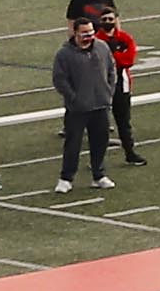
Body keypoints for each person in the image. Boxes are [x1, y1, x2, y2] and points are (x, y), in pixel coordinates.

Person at [52, 17, 120, 196]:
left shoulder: (102, 47)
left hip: (101, 105)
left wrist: (108, 91)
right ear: (75, 33)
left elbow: (112, 70)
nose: (88, 36)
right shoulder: (64, 54)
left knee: (100, 142)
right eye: (84, 33)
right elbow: (59, 80)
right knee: (73, 144)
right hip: (77, 109)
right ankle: (66, 178)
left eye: (91, 32)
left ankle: (99, 175)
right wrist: (74, 98)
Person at [106, 19, 146, 165]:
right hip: (100, 86)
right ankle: (97, 160)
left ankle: (130, 153)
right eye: (104, 19)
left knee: (124, 122)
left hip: (121, 85)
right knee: (99, 124)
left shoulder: (124, 38)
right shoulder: (97, 40)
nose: (107, 22)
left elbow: (127, 60)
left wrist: (112, 55)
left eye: (110, 19)